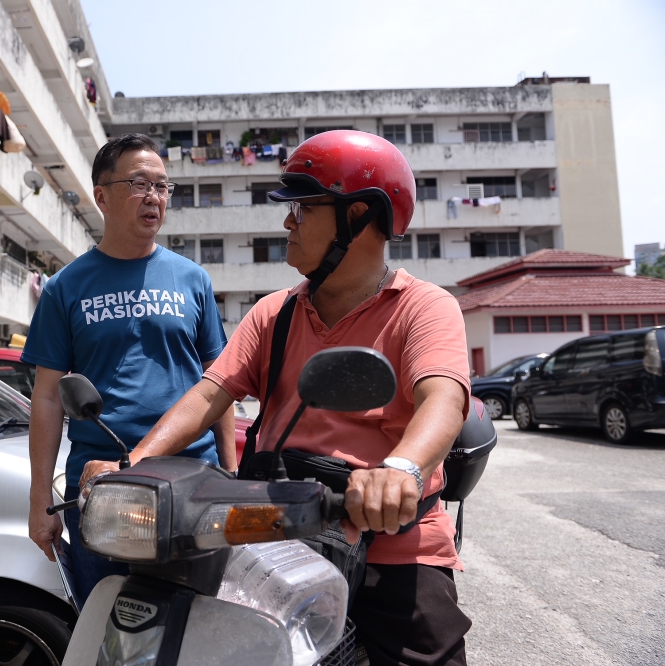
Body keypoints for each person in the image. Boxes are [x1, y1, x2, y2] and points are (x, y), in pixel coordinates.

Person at [80, 130, 472, 665]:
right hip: (281, 535)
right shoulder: (274, 313)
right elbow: (209, 393)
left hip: (391, 540)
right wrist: (134, 463)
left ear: (356, 215)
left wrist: (401, 470)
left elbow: (443, 401)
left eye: (303, 209)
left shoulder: (424, 307)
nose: (287, 222)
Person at [23, 133, 235, 607]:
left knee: (196, 625)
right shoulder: (65, 288)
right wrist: (41, 500)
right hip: (103, 490)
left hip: (190, 483)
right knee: (113, 628)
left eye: (163, 187)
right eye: (140, 184)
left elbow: (218, 381)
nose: (154, 198)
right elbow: (49, 397)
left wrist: (230, 471)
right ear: (102, 196)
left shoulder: (192, 279)